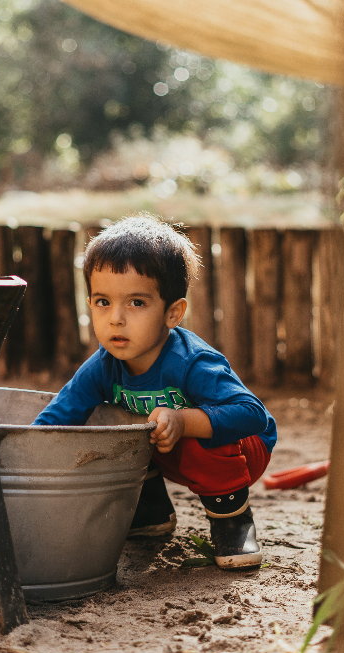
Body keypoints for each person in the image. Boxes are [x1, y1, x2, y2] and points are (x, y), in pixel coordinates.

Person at [34, 213, 277, 570]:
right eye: (103, 302)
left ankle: (234, 523)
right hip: (170, 449)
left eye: (136, 302)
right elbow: (59, 416)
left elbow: (252, 415)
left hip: (240, 451)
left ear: (172, 313)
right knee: (110, 425)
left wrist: (184, 421)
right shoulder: (102, 366)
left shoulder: (191, 362)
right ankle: (150, 512)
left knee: (192, 437)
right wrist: (20, 455)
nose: (115, 318)